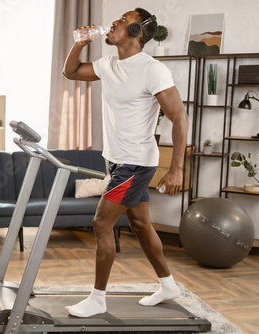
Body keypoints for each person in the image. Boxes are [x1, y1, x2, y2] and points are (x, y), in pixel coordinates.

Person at [63, 8, 189, 318]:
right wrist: (79, 43)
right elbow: (71, 72)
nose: (114, 22)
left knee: (101, 222)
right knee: (141, 225)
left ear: (136, 32)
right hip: (117, 161)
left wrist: (177, 168)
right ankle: (168, 284)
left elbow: (178, 116)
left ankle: (97, 298)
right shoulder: (108, 64)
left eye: (122, 20)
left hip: (136, 163)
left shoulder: (152, 70)